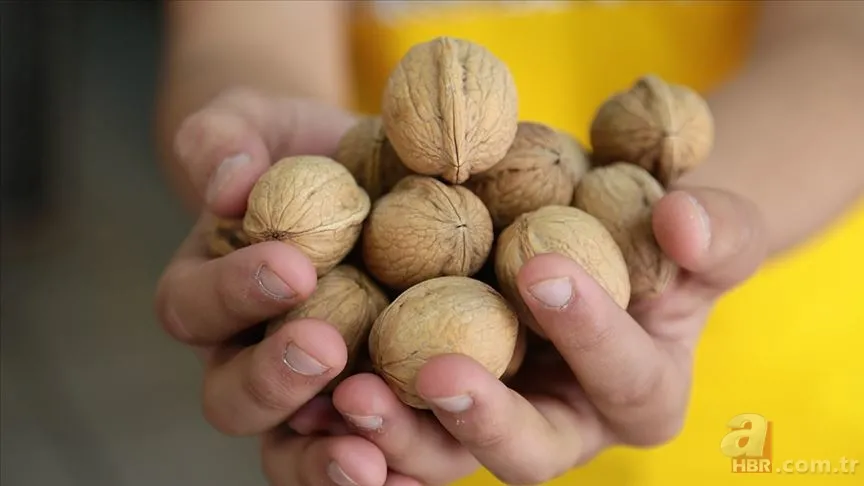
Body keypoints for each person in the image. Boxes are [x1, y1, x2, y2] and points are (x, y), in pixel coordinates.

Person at [153, 2, 864, 485]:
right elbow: (240, 35)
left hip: (772, 369)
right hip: (422, 428)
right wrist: (247, 155)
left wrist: (681, 220)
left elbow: (843, 36)